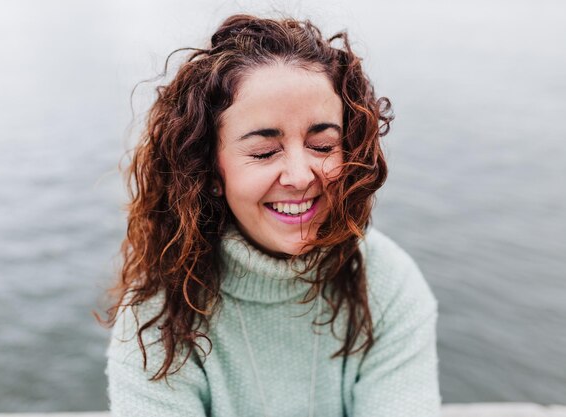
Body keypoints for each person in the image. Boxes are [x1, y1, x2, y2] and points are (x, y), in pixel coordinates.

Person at [105, 14, 440, 417]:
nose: (299, 177)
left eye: (322, 145)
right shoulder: (156, 309)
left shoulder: (389, 285)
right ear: (209, 171)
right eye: (265, 152)